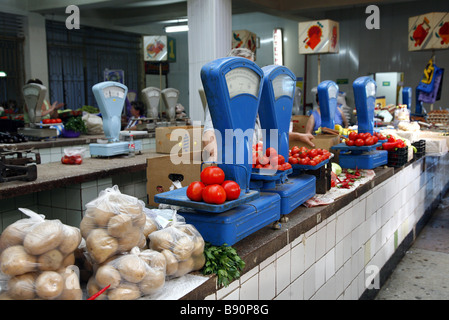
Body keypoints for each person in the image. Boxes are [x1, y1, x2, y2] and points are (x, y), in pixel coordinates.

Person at [203, 48, 315, 160]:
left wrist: (299, 136)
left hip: (255, 164)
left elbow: (269, 134)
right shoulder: (221, 98)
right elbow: (209, 132)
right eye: (241, 71)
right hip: (232, 163)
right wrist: (214, 154)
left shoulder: (256, 100)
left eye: (250, 71)